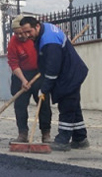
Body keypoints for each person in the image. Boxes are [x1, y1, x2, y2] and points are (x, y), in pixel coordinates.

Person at [28, 17, 89, 151]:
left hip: (69, 75)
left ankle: (63, 140)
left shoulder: (49, 41)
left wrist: (44, 89)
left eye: (29, 31)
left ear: (37, 26)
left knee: (67, 106)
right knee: (74, 107)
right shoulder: (46, 30)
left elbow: (52, 70)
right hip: (70, 72)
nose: (27, 35)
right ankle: (80, 138)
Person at [6, 16, 53, 144]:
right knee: (20, 105)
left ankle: (46, 133)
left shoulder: (36, 39)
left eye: (22, 32)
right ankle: (22, 133)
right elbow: (13, 64)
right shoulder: (13, 43)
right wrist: (23, 80)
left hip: (38, 74)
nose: (20, 36)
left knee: (43, 104)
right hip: (20, 74)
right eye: (17, 33)